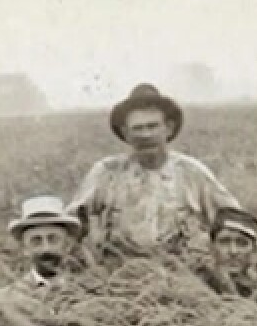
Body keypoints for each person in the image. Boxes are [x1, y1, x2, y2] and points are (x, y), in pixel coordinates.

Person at [66, 83, 242, 261]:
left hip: (185, 275)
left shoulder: (192, 173)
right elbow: (70, 223)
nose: (145, 135)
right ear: (125, 134)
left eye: (152, 126)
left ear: (169, 128)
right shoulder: (106, 173)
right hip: (119, 276)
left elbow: (234, 221)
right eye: (138, 128)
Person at [4, 194, 85, 295]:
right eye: (36, 241)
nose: (46, 248)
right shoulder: (10, 297)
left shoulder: (85, 293)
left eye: (53, 239)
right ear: (25, 249)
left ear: (67, 245)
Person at [195, 206, 257, 298]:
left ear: (254, 250)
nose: (233, 251)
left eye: (242, 243)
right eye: (224, 242)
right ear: (211, 247)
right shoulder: (195, 281)